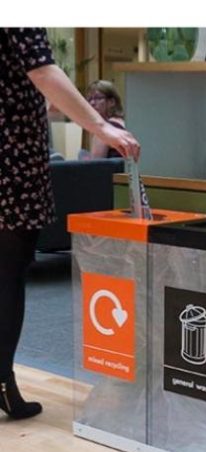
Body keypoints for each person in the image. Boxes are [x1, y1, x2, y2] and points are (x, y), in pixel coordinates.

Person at [0, 28, 140, 420]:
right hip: (11, 159)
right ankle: (2, 383)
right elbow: (42, 71)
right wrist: (101, 126)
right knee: (8, 270)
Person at [86, 80, 128, 159]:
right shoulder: (125, 123)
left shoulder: (104, 129)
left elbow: (95, 166)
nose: (92, 103)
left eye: (97, 98)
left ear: (111, 102)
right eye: (89, 99)